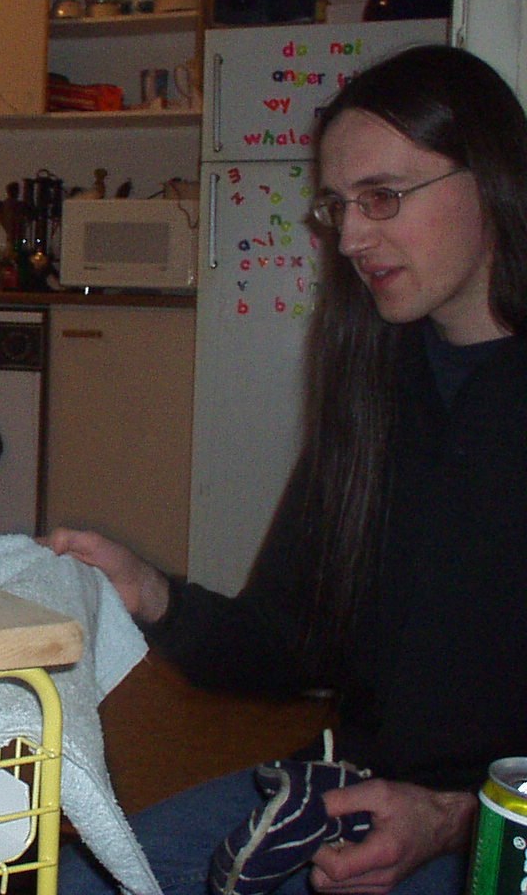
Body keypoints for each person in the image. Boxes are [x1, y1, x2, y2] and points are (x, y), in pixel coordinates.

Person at [47, 44, 527, 895]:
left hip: (496, 824)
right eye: (338, 206)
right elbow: (289, 643)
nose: (350, 237)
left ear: (491, 180)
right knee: (87, 881)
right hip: (349, 786)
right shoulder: (378, 386)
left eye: (383, 197)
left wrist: (453, 816)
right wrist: (153, 596)